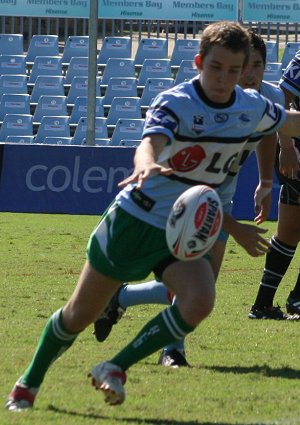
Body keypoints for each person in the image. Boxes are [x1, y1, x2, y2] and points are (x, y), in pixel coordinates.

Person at [6, 21, 300, 411]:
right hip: (136, 221)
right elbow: (149, 144)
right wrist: (146, 166)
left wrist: (257, 189)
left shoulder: (251, 107)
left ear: (246, 69)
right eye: (216, 67)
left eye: (234, 70)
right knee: (78, 316)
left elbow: (290, 123)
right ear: (199, 62)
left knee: (198, 300)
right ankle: (27, 385)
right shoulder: (176, 102)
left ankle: (114, 366)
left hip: (181, 228)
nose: (224, 78)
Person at [93, 31, 288, 367]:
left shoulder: (266, 99)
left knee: (202, 287)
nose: (251, 74)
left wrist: (266, 183)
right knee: (192, 287)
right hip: (186, 197)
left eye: (258, 65)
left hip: (221, 198)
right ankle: (172, 350)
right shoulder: (203, 99)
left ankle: (120, 296)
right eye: (246, 67)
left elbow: (268, 134)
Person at [249, 50, 300, 320]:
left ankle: (263, 305)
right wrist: (288, 146)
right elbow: (282, 101)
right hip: (296, 152)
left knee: (290, 230)